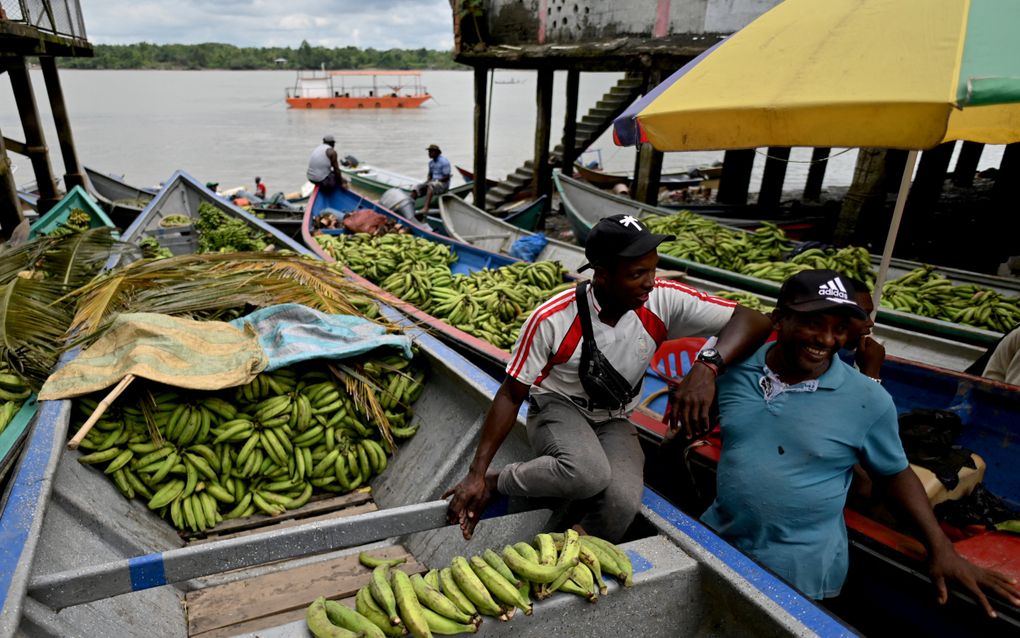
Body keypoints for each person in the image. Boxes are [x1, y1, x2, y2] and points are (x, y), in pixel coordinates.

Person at [700, 269, 1020, 616]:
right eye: (814, 323)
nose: (826, 339)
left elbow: (895, 475)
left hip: (798, 571)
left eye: (839, 328)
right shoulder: (735, 371)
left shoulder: (867, 398)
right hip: (719, 537)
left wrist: (942, 549)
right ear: (779, 319)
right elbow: (710, 421)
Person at [444, 214, 774, 542]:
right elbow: (510, 395)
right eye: (636, 274)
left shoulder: (662, 299)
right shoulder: (552, 319)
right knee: (587, 475)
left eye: (653, 269)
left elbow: (754, 320)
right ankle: (495, 481)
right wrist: (476, 473)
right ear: (602, 275)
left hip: (615, 416)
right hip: (559, 407)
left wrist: (707, 367)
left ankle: (567, 553)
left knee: (622, 504)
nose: (650, 282)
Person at [412, 144, 451, 213]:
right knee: (416, 187)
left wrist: (436, 181)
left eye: (431, 151)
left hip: (443, 184)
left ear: (437, 152)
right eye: (429, 152)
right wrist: (427, 181)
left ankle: (426, 208)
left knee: (431, 185)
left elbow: (447, 177)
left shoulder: (444, 162)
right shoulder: (431, 163)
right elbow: (430, 175)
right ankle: (411, 207)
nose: (429, 153)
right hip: (433, 183)